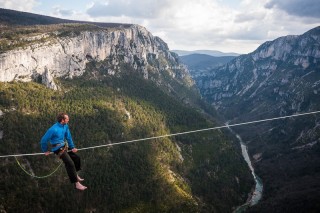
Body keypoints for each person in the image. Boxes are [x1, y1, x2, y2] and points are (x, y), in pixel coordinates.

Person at [40, 112, 87, 190]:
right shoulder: (53, 129)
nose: (68, 119)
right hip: (57, 149)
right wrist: (45, 150)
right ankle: (77, 184)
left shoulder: (65, 126)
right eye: (67, 118)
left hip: (64, 146)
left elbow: (68, 137)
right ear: (62, 120)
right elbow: (43, 140)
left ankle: (75, 174)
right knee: (70, 163)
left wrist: (72, 147)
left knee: (76, 158)